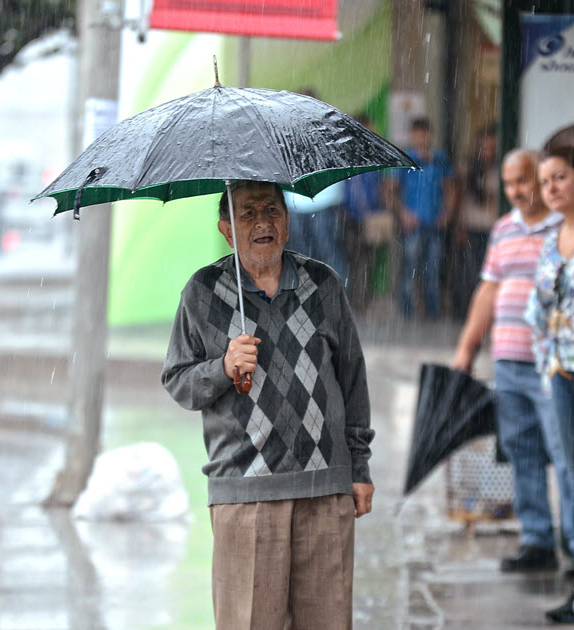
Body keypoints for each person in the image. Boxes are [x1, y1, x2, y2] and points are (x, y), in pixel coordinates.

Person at [161, 180, 375, 630]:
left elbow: (352, 378)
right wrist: (222, 366)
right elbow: (179, 381)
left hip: (324, 487)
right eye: (248, 213)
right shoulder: (202, 292)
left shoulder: (323, 284)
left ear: (289, 222)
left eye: (272, 211)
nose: (263, 223)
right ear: (226, 229)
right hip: (246, 493)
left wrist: (359, 467)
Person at [450, 148, 564, 574]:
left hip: (551, 363)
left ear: (544, 181)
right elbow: (487, 292)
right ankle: (537, 541)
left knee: (564, 453)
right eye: (510, 182)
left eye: (524, 180)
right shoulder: (502, 229)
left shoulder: (564, 227)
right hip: (508, 362)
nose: (516, 190)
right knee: (521, 451)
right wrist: (466, 349)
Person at [524, 146, 574, 624]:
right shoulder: (551, 239)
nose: (551, 189)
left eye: (560, 177)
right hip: (561, 375)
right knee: (567, 471)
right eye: (545, 181)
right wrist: (548, 365)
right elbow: (536, 313)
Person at [387, 118, 455, 319]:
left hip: (435, 223)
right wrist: (403, 213)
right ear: (412, 135)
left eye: (424, 134)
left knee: (433, 271)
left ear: (429, 135)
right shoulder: (405, 158)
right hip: (412, 224)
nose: (421, 138)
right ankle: (407, 314)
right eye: (417, 134)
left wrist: (447, 214)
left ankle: (432, 315)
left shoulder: (440, 158)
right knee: (410, 269)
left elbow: (450, 188)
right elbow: (390, 190)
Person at [340, 114, 393, 313]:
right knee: (355, 260)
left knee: (364, 261)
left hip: (366, 216)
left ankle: (360, 301)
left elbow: (382, 187)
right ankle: (355, 301)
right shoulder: (348, 156)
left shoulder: (371, 156)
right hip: (351, 216)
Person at [450, 125, 500, 317]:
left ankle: (486, 314)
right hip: (472, 227)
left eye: (491, 147)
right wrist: (459, 226)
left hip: (492, 228)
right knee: (470, 273)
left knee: (489, 275)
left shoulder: (499, 169)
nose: (488, 151)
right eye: (485, 147)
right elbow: (459, 200)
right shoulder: (469, 169)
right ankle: (467, 312)